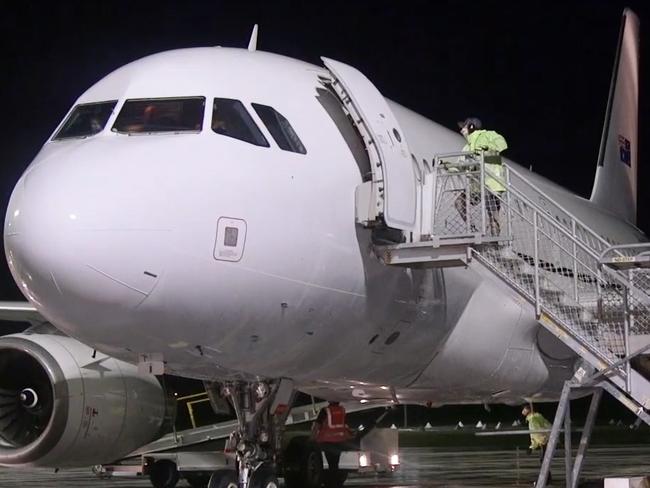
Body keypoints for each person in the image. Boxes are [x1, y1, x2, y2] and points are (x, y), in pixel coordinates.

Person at [454, 117, 508, 236]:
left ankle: (495, 235)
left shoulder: (488, 135)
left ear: (471, 127)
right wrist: (446, 166)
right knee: (459, 202)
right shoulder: (467, 147)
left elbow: (502, 143)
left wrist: (488, 148)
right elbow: (459, 165)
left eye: (464, 126)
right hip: (476, 185)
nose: (461, 129)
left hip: (491, 182)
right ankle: (472, 229)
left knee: (491, 208)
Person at [311, 401, 354, 477]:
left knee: (330, 464)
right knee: (335, 463)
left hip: (327, 441)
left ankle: (331, 481)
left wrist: (312, 437)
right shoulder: (342, 410)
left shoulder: (325, 410)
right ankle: (335, 481)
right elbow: (344, 424)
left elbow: (317, 424)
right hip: (339, 440)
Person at [522, 405, 553, 484]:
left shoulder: (533, 419)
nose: (522, 411)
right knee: (543, 460)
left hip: (545, 441)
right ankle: (547, 479)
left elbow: (536, 434)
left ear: (527, 410)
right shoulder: (536, 417)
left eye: (523, 409)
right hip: (547, 439)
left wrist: (532, 447)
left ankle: (546, 479)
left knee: (543, 460)